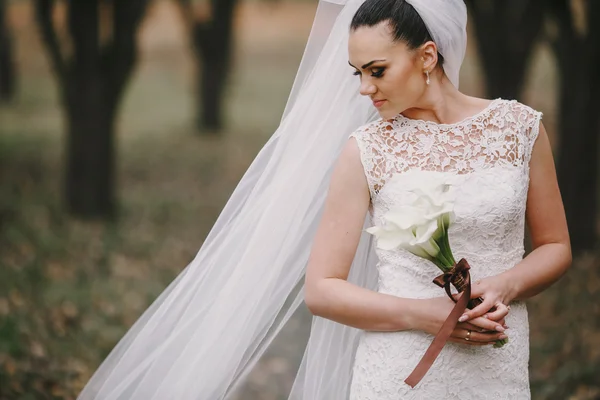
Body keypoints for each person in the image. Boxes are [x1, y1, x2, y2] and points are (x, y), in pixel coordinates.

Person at [77, 0, 571, 399]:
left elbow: (555, 246)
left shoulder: (519, 129)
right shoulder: (367, 150)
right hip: (400, 371)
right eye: (356, 72)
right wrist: (428, 314)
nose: (363, 88)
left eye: (376, 70)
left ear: (426, 56)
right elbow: (323, 289)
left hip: (498, 366)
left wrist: (504, 286)